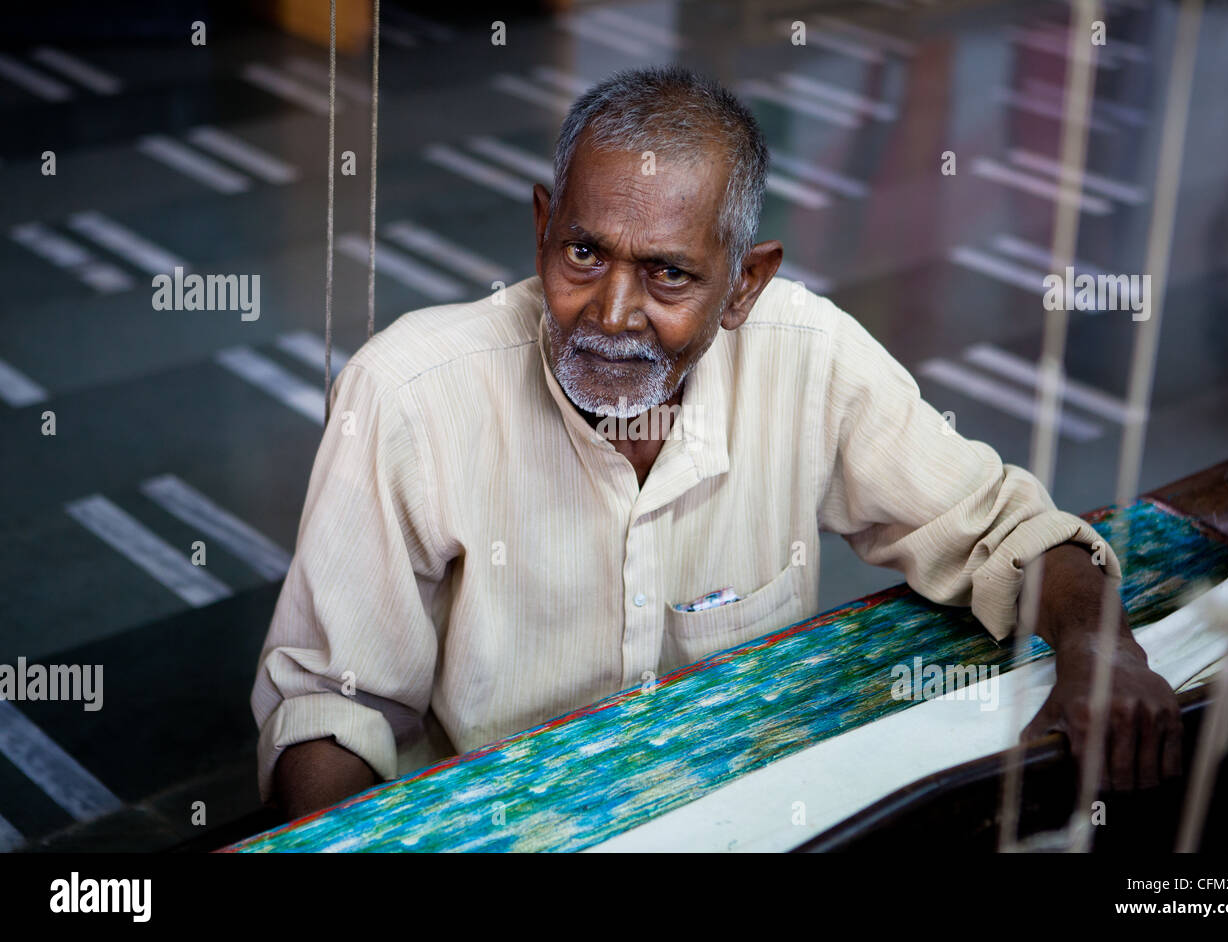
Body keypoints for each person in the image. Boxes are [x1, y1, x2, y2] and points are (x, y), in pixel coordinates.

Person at [253, 65, 1180, 823]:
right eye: (583, 254)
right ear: (542, 228)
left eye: (668, 274)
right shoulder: (408, 394)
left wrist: (1102, 649)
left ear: (744, 285)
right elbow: (333, 708)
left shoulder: (807, 355)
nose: (612, 314)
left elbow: (1001, 530)